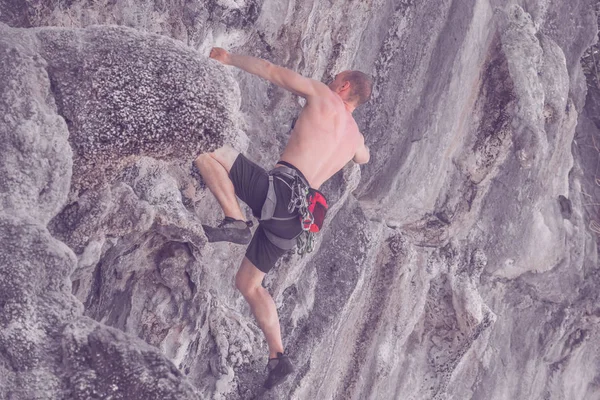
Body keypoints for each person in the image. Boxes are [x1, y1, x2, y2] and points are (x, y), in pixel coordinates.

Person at [194, 47, 372, 389]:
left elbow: (270, 70)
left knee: (205, 146)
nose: (330, 81)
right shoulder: (355, 140)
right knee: (249, 285)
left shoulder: (323, 95)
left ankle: (234, 220)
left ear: (345, 86)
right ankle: (278, 356)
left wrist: (228, 59)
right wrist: (357, 144)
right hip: (297, 220)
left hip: (279, 194)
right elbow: (364, 157)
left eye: (336, 78)